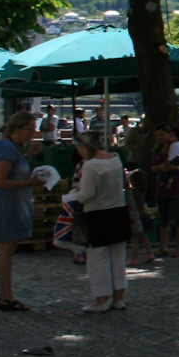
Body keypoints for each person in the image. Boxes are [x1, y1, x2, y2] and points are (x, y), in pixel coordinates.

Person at [0, 112, 43, 312]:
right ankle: (6, 296)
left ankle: (6, 295)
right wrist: (31, 183)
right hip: (7, 205)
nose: (33, 133)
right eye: (29, 129)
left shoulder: (8, 146)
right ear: (17, 130)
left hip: (9, 204)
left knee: (8, 249)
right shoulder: (6, 148)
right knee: (6, 250)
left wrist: (28, 155)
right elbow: (0, 181)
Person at [72, 132, 131, 313]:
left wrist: (73, 197)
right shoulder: (115, 159)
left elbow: (87, 194)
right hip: (119, 211)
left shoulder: (91, 166)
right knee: (118, 258)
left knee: (98, 259)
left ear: (84, 148)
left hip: (98, 214)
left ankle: (101, 299)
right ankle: (119, 298)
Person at [150, 124, 179, 258]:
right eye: (157, 136)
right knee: (163, 217)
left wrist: (171, 168)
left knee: (178, 216)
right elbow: (153, 167)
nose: (160, 138)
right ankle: (163, 246)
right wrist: (162, 167)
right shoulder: (158, 150)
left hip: (176, 185)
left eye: (162, 135)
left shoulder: (178, 147)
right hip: (161, 186)